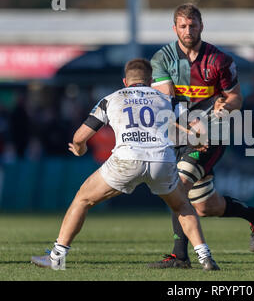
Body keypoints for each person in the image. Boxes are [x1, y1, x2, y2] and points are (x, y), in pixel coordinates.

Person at [31, 58, 219, 271]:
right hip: (161, 160)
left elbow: (79, 137)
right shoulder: (166, 99)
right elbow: (198, 129)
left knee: (82, 199)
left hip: (127, 159)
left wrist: (79, 148)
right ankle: (205, 258)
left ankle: (56, 257)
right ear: (150, 81)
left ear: (125, 80)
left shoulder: (111, 99)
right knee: (182, 206)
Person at [147, 3, 254, 269]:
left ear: (201, 26)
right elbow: (166, 102)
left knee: (177, 187)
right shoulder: (162, 59)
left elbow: (237, 97)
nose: (188, 30)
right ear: (175, 28)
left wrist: (225, 106)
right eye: (183, 26)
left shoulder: (219, 60)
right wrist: (187, 127)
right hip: (179, 135)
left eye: (193, 25)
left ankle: (179, 257)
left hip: (210, 135)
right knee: (205, 207)